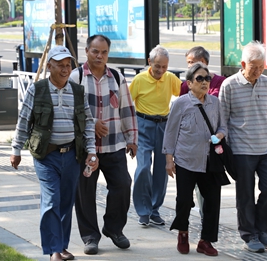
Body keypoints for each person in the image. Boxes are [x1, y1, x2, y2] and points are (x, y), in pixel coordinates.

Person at [10, 45, 98, 261]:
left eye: (68, 65)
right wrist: (16, 149)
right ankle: (54, 250)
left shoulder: (78, 91)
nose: (65, 69)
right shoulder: (37, 89)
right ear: (49, 66)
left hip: (72, 155)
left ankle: (62, 245)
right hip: (46, 156)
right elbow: (24, 120)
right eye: (60, 65)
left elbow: (88, 123)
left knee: (66, 202)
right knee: (51, 201)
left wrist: (91, 151)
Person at [69, 35, 138, 255]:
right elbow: (69, 111)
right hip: (84, 149)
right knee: (84, 193)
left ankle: (114, 229)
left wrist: (132, 138)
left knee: (123, 185)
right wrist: (92, 123)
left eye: (104, 52)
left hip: (113, 145)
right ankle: (90, 236)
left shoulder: (116, 77)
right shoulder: (76, 77)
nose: (99, 56)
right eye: (95, 51)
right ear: (86, 51)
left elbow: (127, 108)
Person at [219, 41, 267, 253]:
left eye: (261, 67)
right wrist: (227, 150)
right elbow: (223, 119)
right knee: (245, 194)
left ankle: (262, 229)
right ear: (243, 64)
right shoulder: (229, 85)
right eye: (254, 67)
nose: (258, 71)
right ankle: (249, 234)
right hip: (241, 149)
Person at [163, 62, 228, 256]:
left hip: (210, 161)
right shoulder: (180, 103)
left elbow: (223, 126)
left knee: (212, 201)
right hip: (186, 160)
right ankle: (183, 233)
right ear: (189, 83)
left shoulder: (215, 103)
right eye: (199, 79)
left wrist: (220, 135)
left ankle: (205, 241)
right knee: (184, 200)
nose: (204, 82)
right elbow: (170, 132)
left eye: (207, 78)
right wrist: (169, 159)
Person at [129, 44, 181, 226]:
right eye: (157, 66)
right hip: (143, 125)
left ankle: (154, 209)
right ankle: (143, 210)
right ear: (149, 62)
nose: (160, 70)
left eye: (164, 66)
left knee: (162, 170)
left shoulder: (170, 78)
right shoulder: (139, 80)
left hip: (163, 126)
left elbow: (184, 92)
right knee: (143, 167)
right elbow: (126, 104)